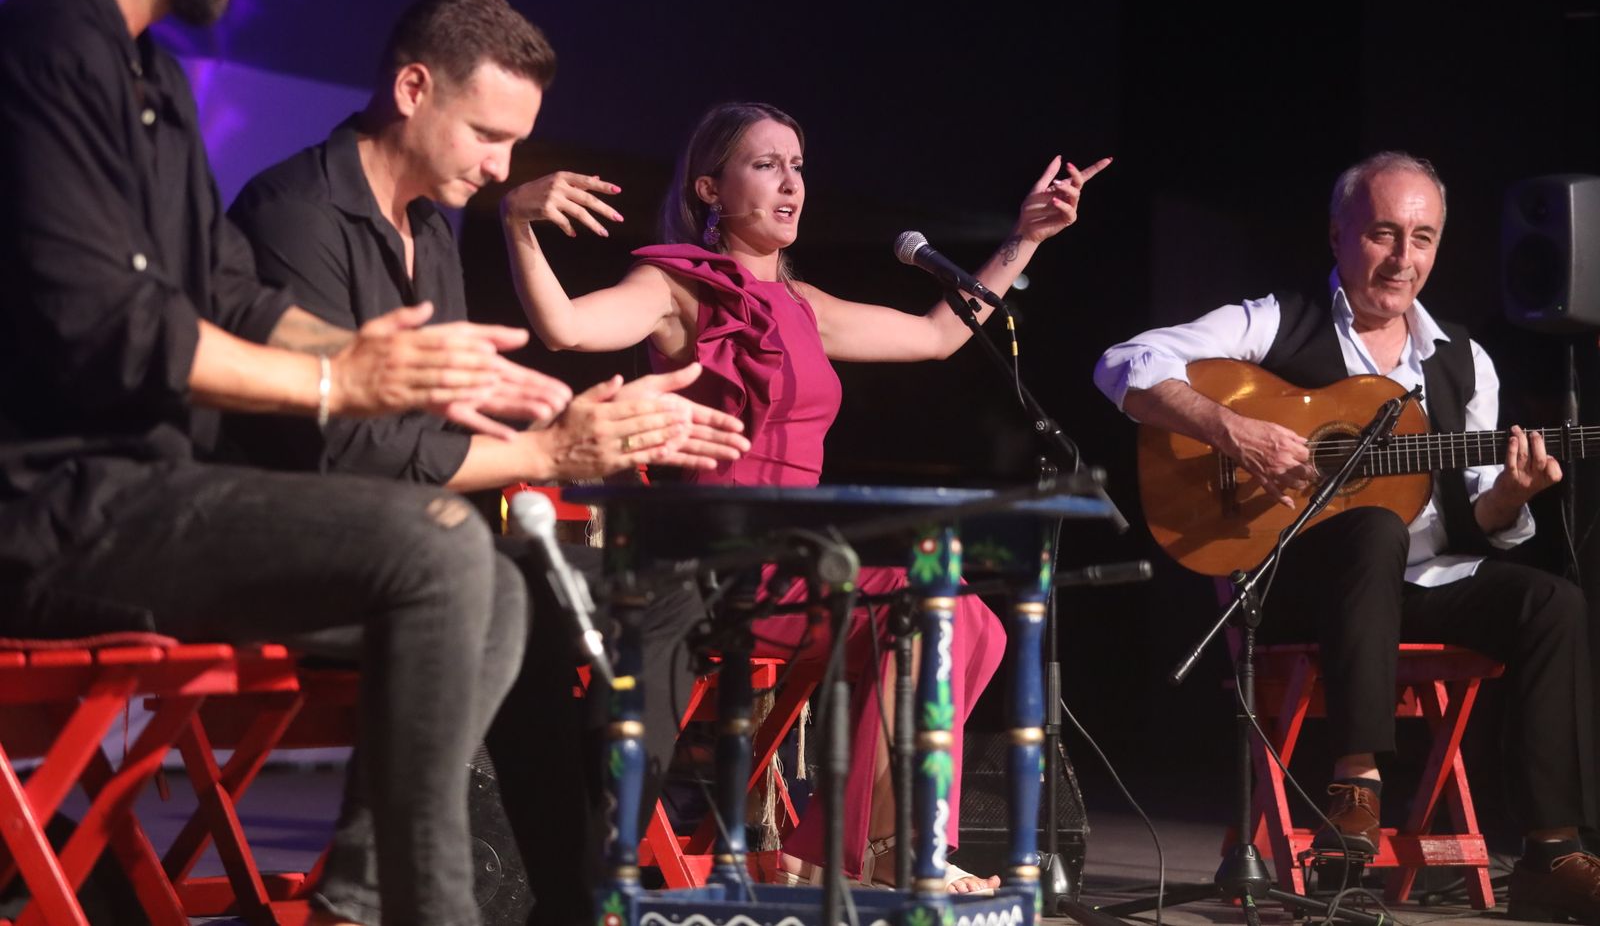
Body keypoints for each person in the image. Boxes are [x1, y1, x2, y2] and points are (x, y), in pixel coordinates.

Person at [0, 0, 641, 924]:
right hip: (55, 511)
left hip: (145, 498)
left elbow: (230, 297)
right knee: (448, 551)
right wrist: (341, 378)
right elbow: (106, 323)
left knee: (497, 591)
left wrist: (391, 362)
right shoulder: (40, 53)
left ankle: (359, 904)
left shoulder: (153, 80)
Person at [226, 0, 750, 926]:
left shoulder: (429, 228)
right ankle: (473, 891)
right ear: (413, 89)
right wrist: (550, 451)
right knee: (507, 591)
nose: (505, 168)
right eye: (488, 135)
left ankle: (573, 885)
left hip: (426, 539)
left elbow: (442, 425)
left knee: (640, 589)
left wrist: (587, 422)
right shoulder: (294, 214)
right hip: (304, 547)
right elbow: (352, 456)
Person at [498, 99, 1110, 891]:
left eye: (797, 167)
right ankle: (888, 851)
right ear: (710, 189)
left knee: (969, 621)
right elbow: (565, 327)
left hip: (800, 561)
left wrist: (1027, 237)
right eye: (766, 165)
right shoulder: (675, 286)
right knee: (939, 610)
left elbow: (938, 335)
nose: (792, 184)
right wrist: (517, 223)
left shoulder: (804, 305)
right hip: (713, 565)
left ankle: (869, 846)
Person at [1094, 152, 1599, 922]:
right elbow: (1122, 361)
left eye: (1422, 238)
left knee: (1553, 603)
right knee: (1372, 527)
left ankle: (1551, 853)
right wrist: (1231, 429)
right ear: (1337, 235)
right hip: (1303, 588)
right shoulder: (1280, 320)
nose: (1403, 259)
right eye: (1383, 234)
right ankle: (1355, 785)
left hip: (1418, 587)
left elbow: (1482, 521)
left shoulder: (1464, 360)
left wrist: (1509, 496)